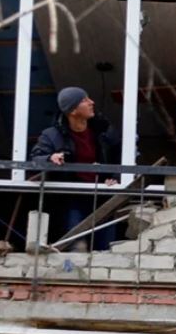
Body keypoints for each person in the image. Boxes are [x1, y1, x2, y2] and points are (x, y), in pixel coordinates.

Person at [30, 87, 120, 251]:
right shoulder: (52, 135)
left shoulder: (103, 130)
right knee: (76, 248)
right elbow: (36, 158)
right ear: (72, 110)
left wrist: (114, 177)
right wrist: (50, 158)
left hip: (102, 196)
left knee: (105, 250)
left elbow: (120, 156)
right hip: (73, 199)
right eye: (85, 100)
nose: (92, 102)